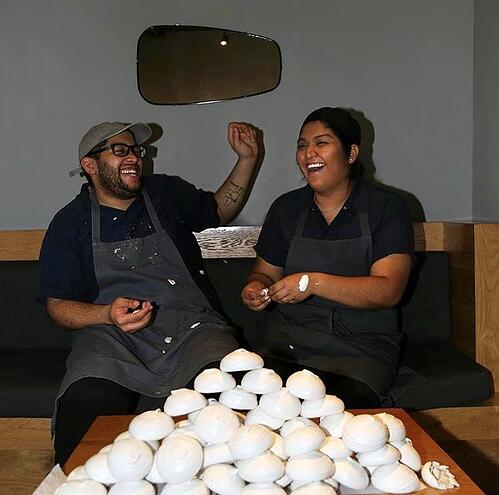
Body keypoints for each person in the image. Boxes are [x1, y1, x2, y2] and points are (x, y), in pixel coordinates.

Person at [37, 120, 261, 465]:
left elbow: (219, 210)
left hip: (192, 329)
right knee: (85, 402)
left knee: (230, 389)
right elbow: (57, 306)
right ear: (89, 165)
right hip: (110, 337)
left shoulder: (164, 194)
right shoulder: (69, 223)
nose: (134, 158)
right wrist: (105, 313)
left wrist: (247, 159)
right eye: (120, 150)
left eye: (136, 150)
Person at [241, 107, 413, 408]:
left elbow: (388, 290)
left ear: (351, 153)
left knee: (333, 416)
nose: (309, 153)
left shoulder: (386, 208)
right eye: (302, 145)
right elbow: (264, 274)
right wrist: (255, 289)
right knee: (258, 412)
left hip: (361, 348)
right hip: (289, 344)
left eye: (321, 142)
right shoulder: (286, 209)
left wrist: (313, 283)